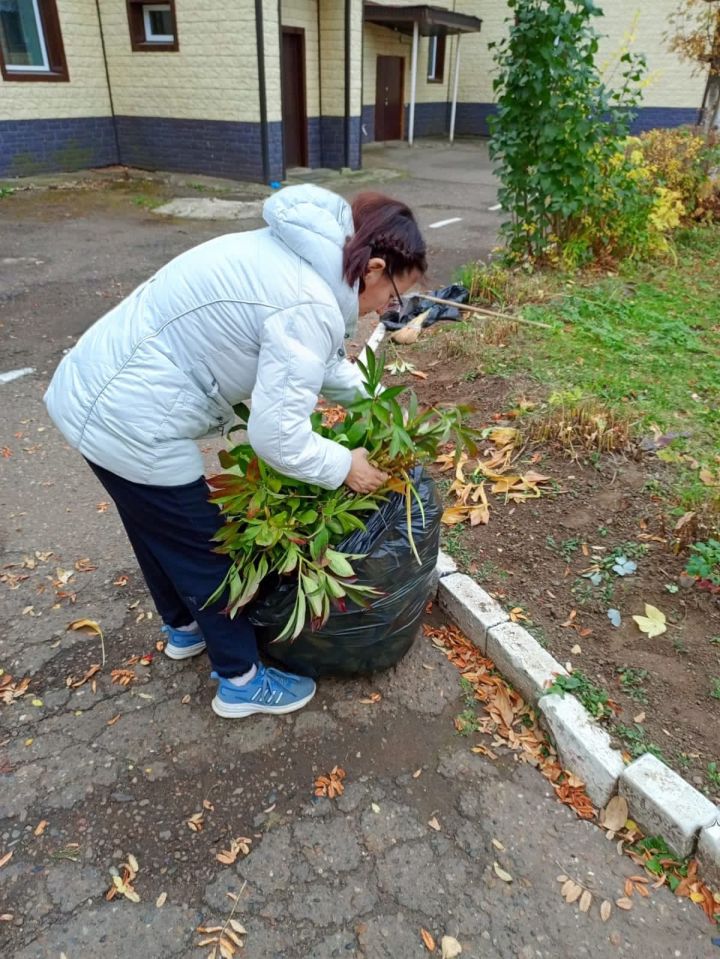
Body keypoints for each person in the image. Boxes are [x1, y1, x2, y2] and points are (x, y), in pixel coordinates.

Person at [44, 184, 427, 719]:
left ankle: (182, 630)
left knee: (153, 525)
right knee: (204, 551)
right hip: (130, 416)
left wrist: (382, 407)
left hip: (93, 390)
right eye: (393, 295)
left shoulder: (304, 258)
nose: (390, 308)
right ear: (375, 267)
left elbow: (326, 365)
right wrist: (346, 467)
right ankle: (240, 681)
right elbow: (277, 438)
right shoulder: (308, 302)